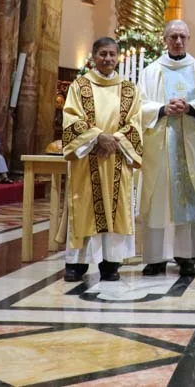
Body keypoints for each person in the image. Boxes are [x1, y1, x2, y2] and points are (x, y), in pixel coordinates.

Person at [138, 20, 195, 278]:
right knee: (158, 200)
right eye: (173, 36)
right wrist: (162, 109)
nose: (178, 41)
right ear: (165, 39)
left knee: (188, 198)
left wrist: (191, 108)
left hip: (191, 146)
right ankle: (155, 258)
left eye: (182, 36)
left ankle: (187, 257)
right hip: (160, 146)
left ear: (189, 39)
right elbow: (139, 104)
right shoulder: (151, 72)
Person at [62, 36, 142, 282]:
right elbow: (71, 119)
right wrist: (97, 137)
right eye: (103, 54)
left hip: (117, 156)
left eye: (112, 54)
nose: (108, 59)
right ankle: (77, 263)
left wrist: (114, 140)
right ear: (94, 56)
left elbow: (135, 123)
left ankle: (111, 262)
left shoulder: (129, 89)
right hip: (88, 158)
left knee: (115, 209)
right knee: (84, 206)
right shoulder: (80, 86)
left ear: (118, 57)